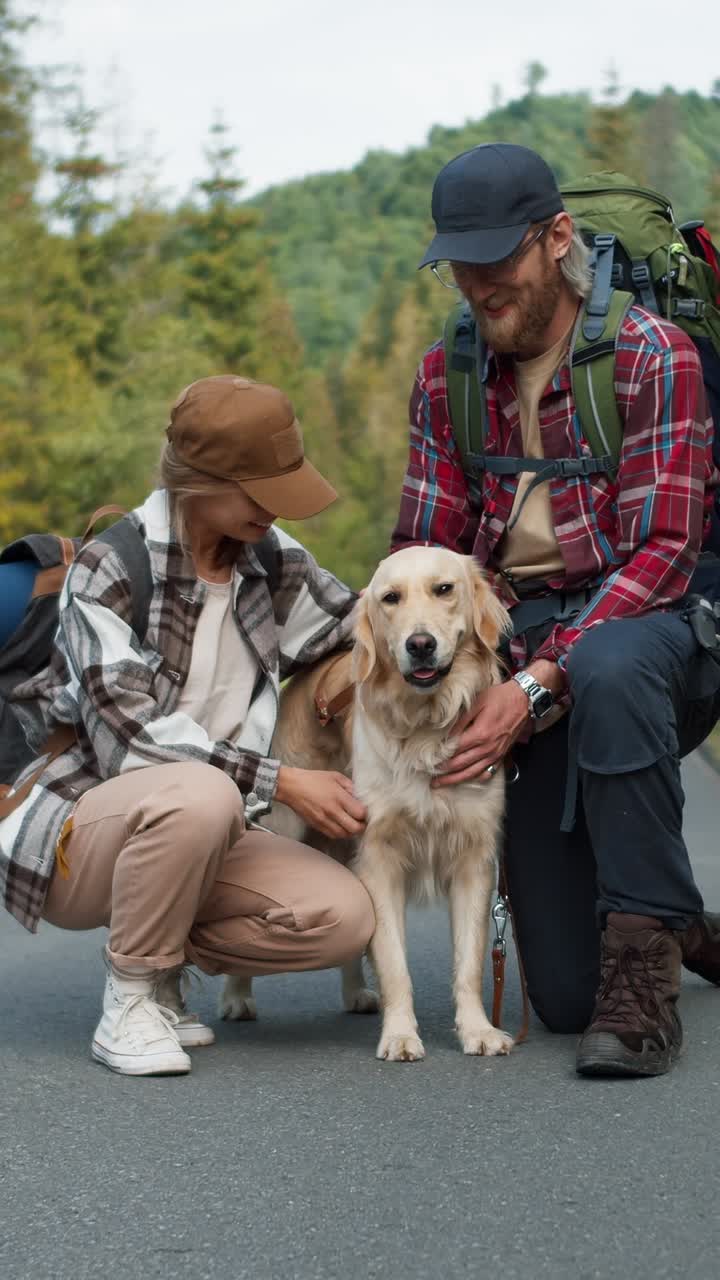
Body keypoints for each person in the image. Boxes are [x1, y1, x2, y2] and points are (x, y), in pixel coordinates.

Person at [392, 142, 720, 1077]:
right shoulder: (445, 376)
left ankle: (647, 983)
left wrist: (535, 688)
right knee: (570, 998)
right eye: (461, 263)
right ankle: (665, 912)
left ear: (558, 240)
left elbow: (663, 554)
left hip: (656, 637)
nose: (478, 285)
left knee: (607, 667)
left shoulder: (654, 357)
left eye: (498, 260)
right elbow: (424, 545)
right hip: (516, 635)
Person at [0, 375, 373, 1076]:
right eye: (261, 489)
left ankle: (166, 949)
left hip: (214, 827)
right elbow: (133, 744)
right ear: (200, 481)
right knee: (201, 791)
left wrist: (448, 630)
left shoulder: (269, 558)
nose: (275, 508)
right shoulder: (112, 568)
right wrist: (283, 781)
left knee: (343, 916)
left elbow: (357, 623)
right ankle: (132, 995)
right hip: (85, 833)